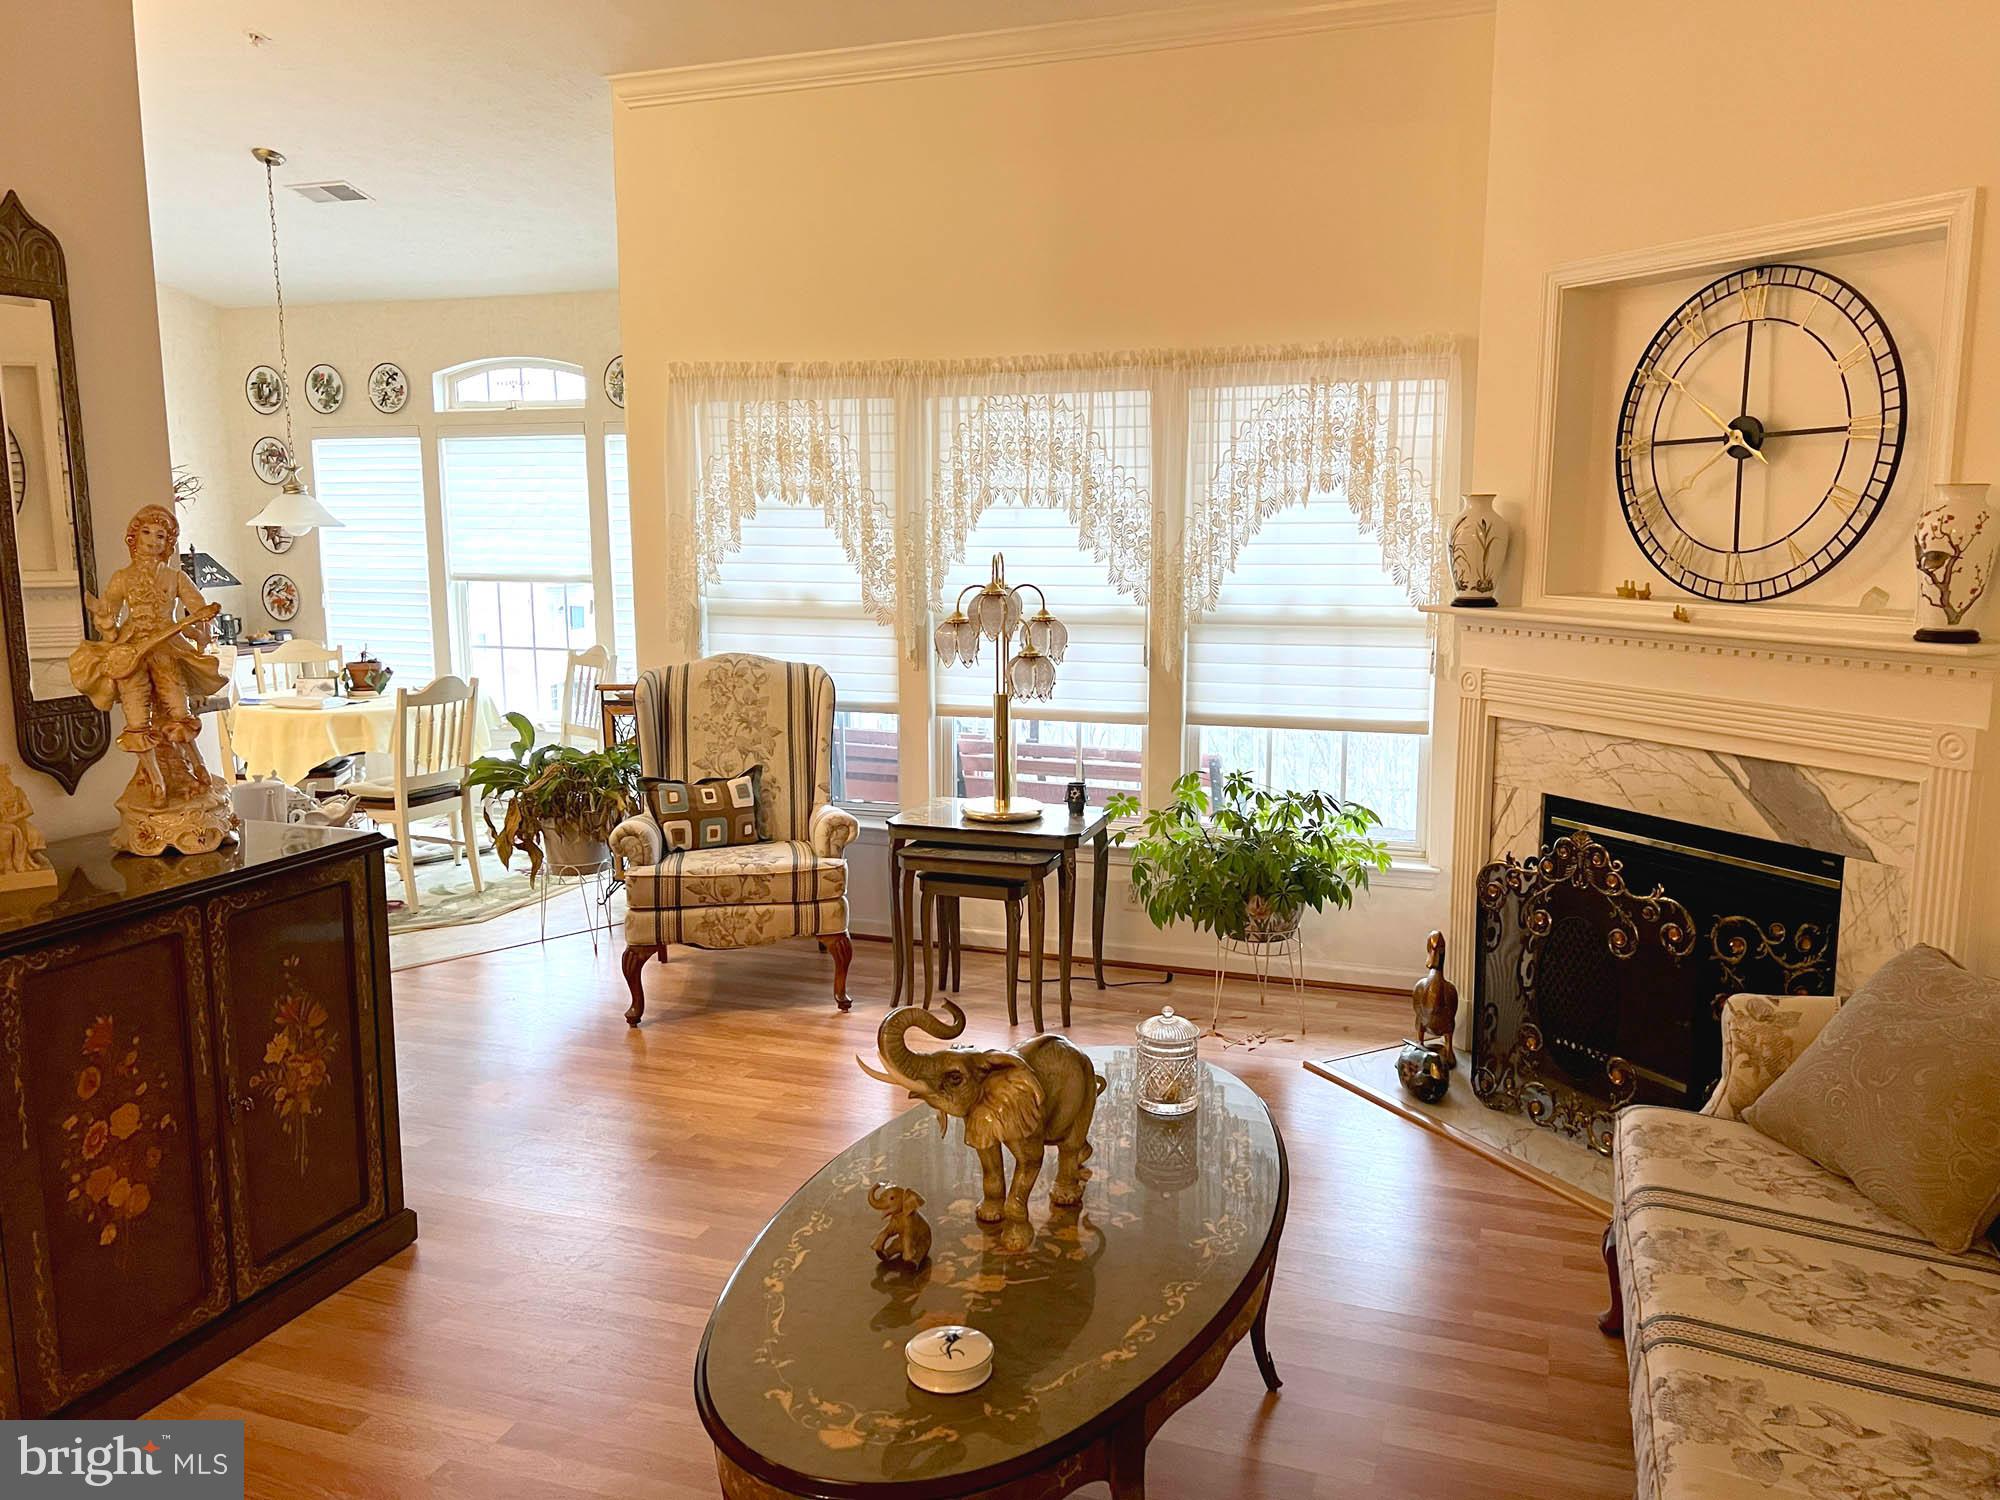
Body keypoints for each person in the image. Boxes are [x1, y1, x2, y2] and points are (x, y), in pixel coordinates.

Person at [69, 504, 227, 806]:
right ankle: (155, 780)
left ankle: (199, 767)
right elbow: (110, 620)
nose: (153, 540)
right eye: (146, 533)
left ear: (168, 543)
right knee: (137, 717)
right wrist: (105, 621)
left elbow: (199, 611)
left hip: (167, 649)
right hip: (132, 652)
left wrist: (201, 629)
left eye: (161, 535)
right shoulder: (121, 577)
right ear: (134, 537)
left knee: (180, 712)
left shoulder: (175, 577)